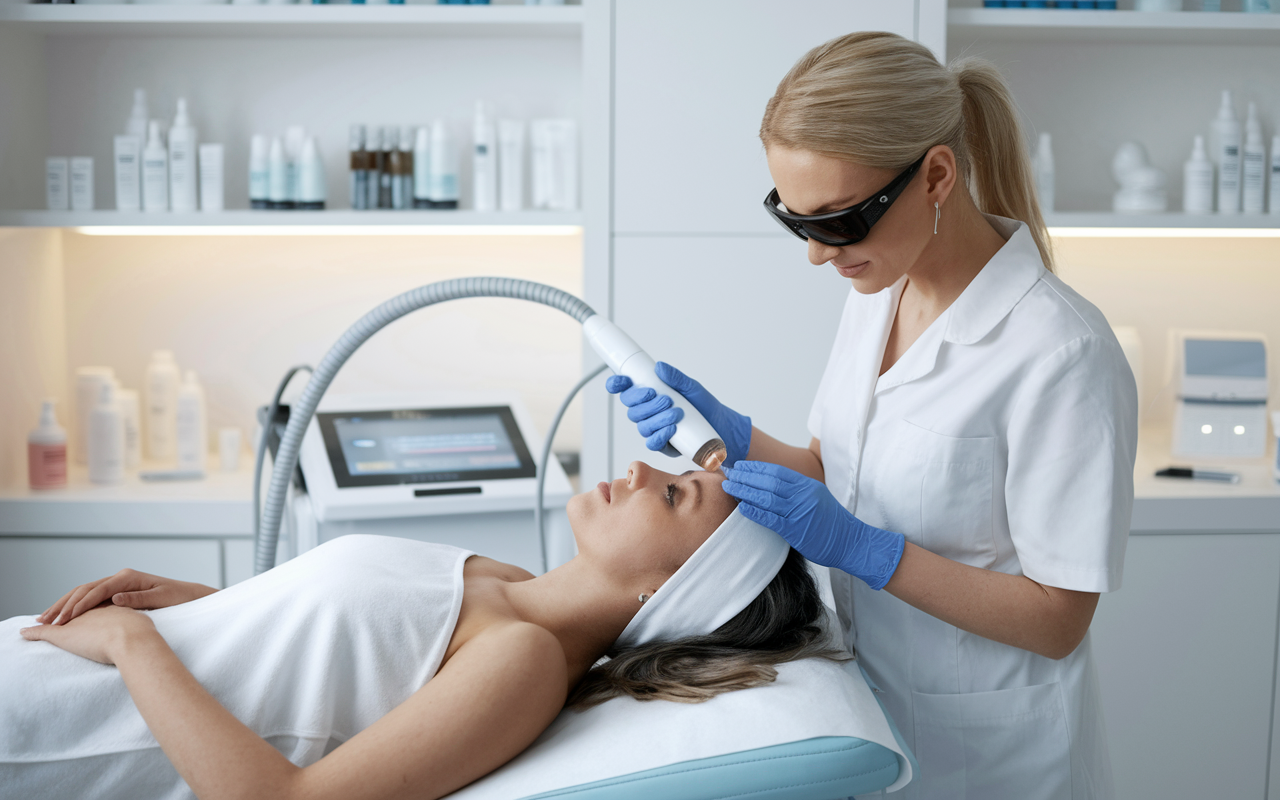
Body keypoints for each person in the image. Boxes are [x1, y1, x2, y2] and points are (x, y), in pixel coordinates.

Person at [607, 31, 1138, 800]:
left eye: (838, 220)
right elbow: (835, 468)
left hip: (996, 760)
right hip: (875, 715)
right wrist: (729, 433)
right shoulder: (882, 290)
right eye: (795, 221)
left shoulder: (1061, 352)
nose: (819, 255)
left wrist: (864, 550)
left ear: (936, 177)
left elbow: (1057, 618)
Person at [4, 463, 837, 800]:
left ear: (670, 587)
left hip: (54, 731)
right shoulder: (508, 588)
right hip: (45, 660)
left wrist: (133, 645)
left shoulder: (525, 661)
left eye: (672, 495)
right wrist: (213, 610)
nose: (642, 470)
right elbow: (349, 655)